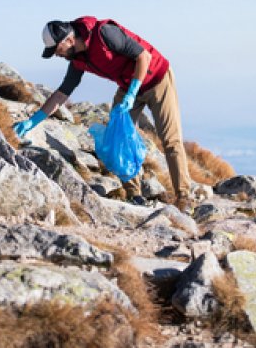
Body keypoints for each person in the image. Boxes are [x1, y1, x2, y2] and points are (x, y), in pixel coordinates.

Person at [13, 16, 193, 212]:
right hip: (128, 85)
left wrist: (132, 92)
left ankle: (184, 198)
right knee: (118, 140)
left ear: (69, 40)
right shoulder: (77, 61)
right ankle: (134, 194)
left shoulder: (104, 34)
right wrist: (32, 121)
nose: (58, 55)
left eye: (58, 50)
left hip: (157, 79)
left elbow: (144, 57)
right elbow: (62, 93)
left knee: (170, 139)